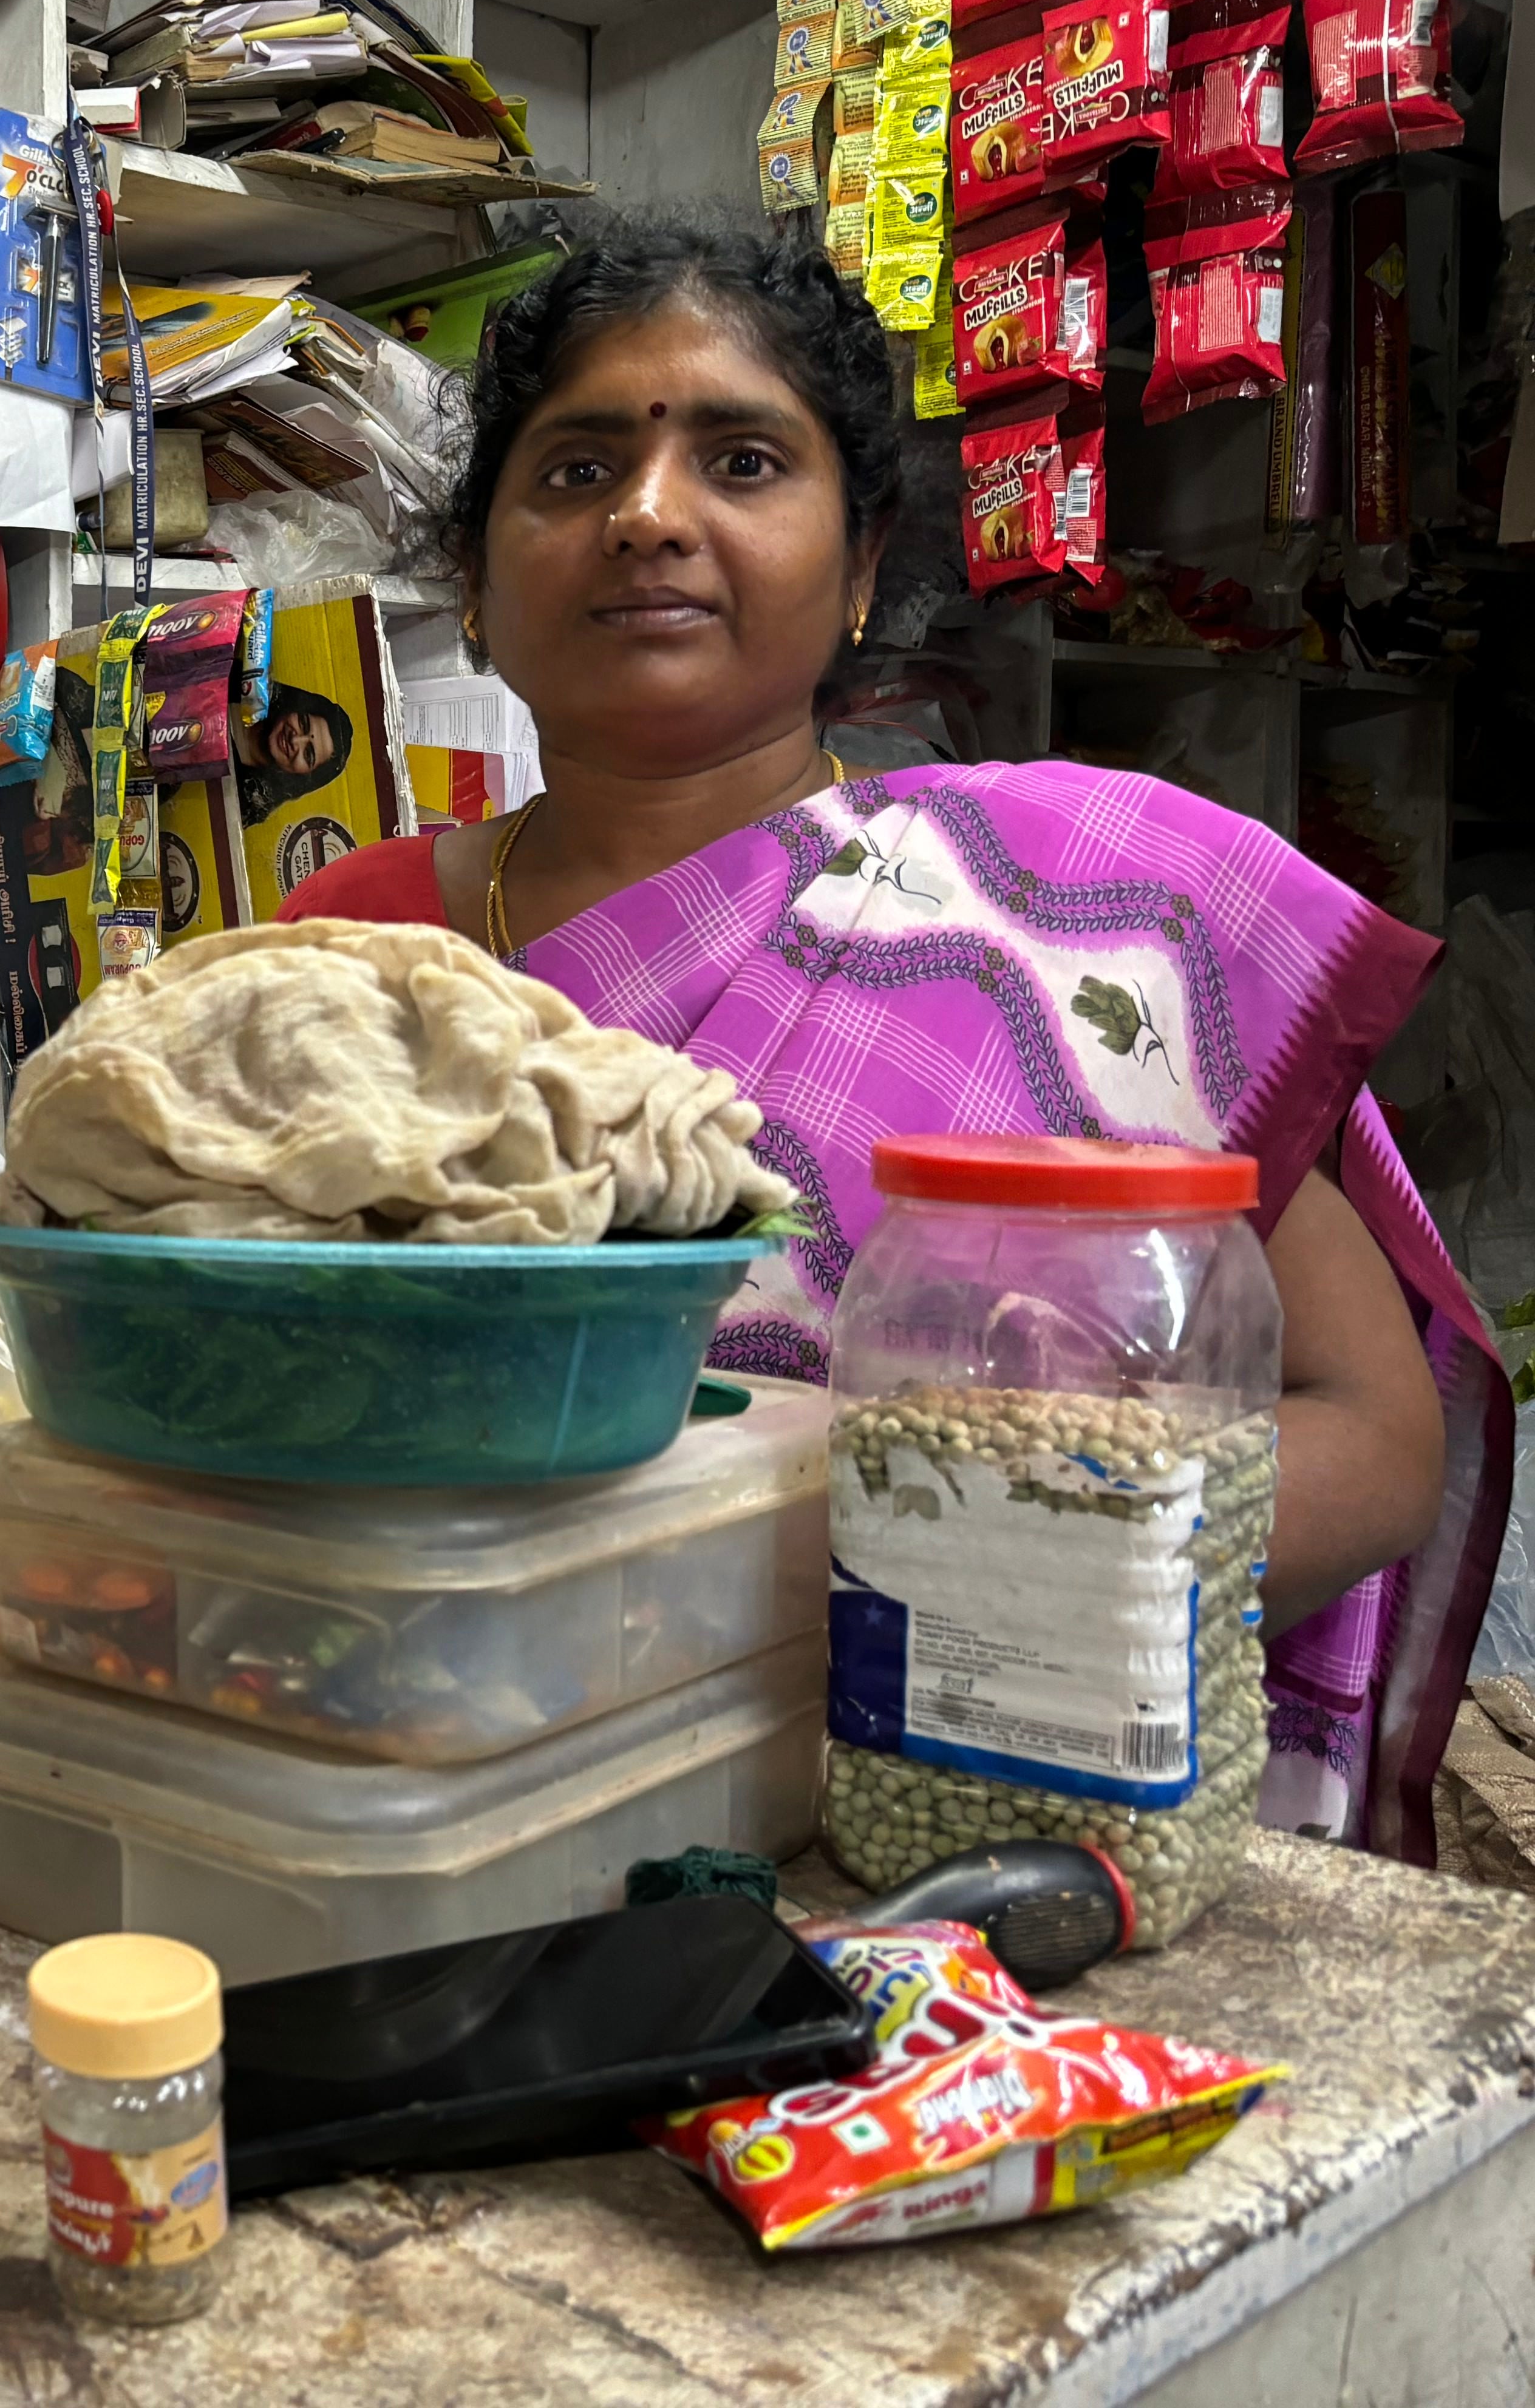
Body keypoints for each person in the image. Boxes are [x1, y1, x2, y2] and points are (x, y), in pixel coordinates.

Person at [279, 220, 1505, 1858]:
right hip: (453, 1804)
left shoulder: (1056, 918)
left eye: (740, 457)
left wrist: (928, 1568)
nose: (650, 517)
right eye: (575, 471)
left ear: (858, 571)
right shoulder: (341, 955)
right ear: (476, 588)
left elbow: (1368, 1428)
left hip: (969, 1822)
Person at [230, 682, 354, 830]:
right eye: (303, 723)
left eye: (308, 755)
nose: (295, 740)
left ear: (304, 777)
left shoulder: (241, 805)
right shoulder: (243, 684)